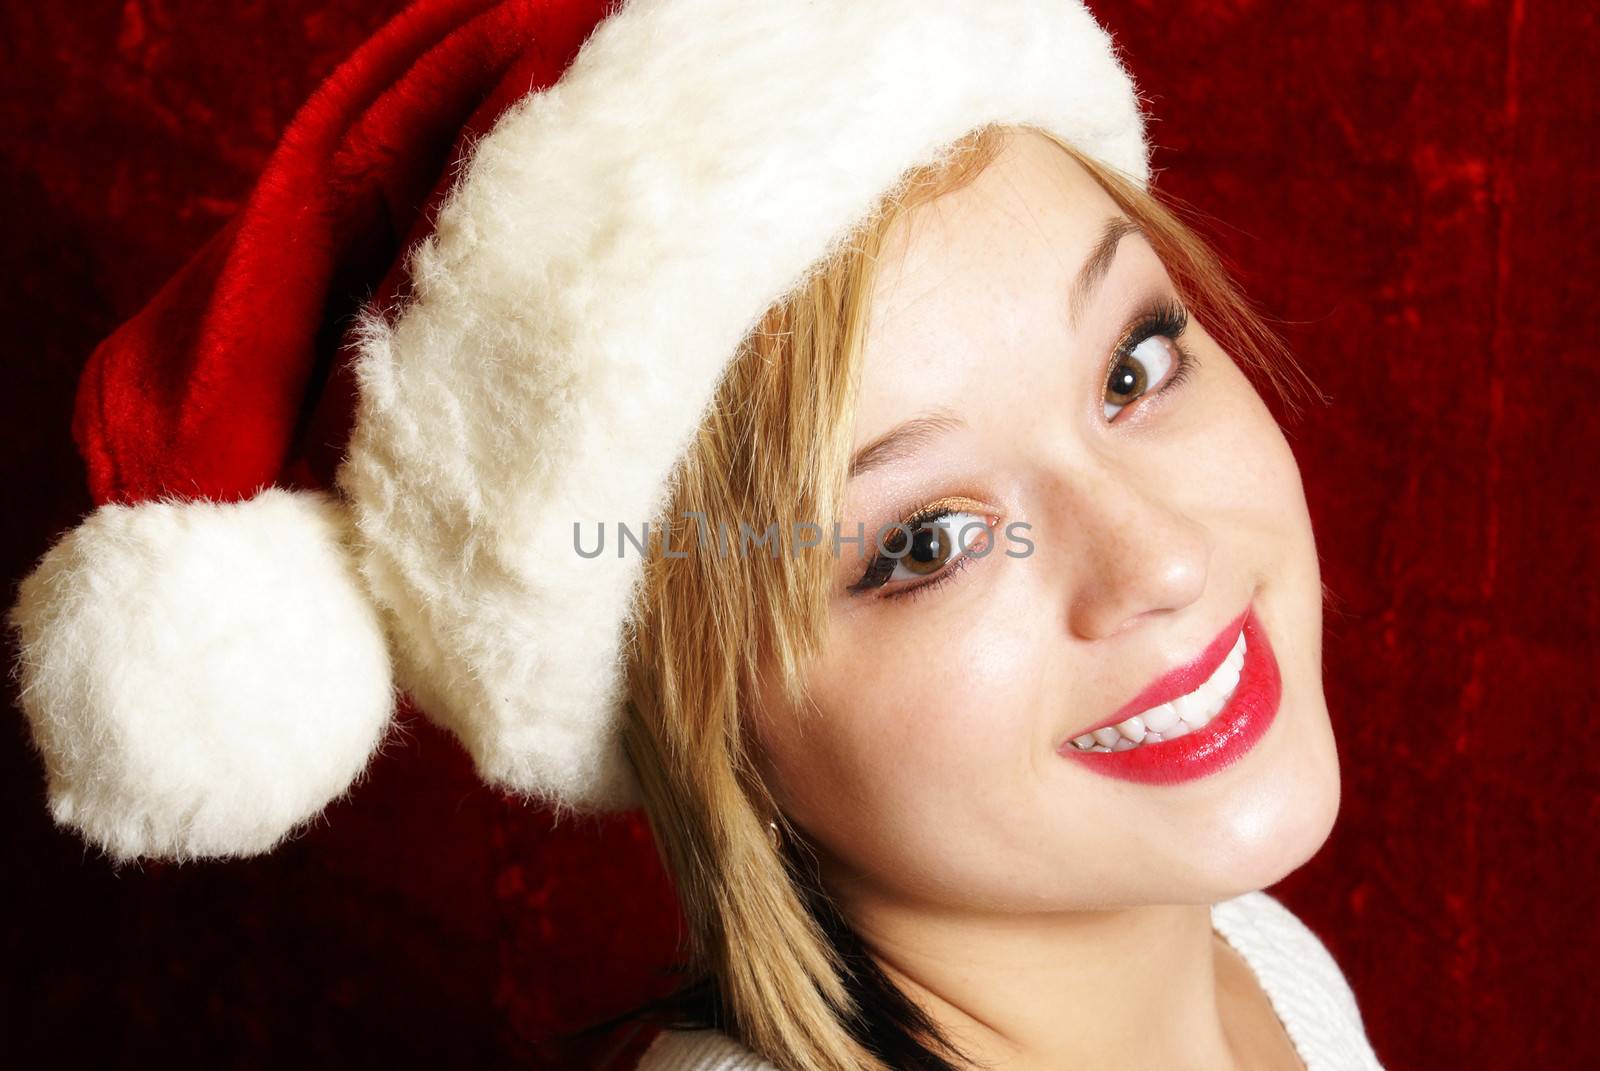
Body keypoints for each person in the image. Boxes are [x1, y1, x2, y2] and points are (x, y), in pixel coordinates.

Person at [6, 1, 1383, 1068]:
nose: (1166, 561)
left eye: (1134, 370)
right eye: (923, 542)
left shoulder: (1259, 957)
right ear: (703, 707)